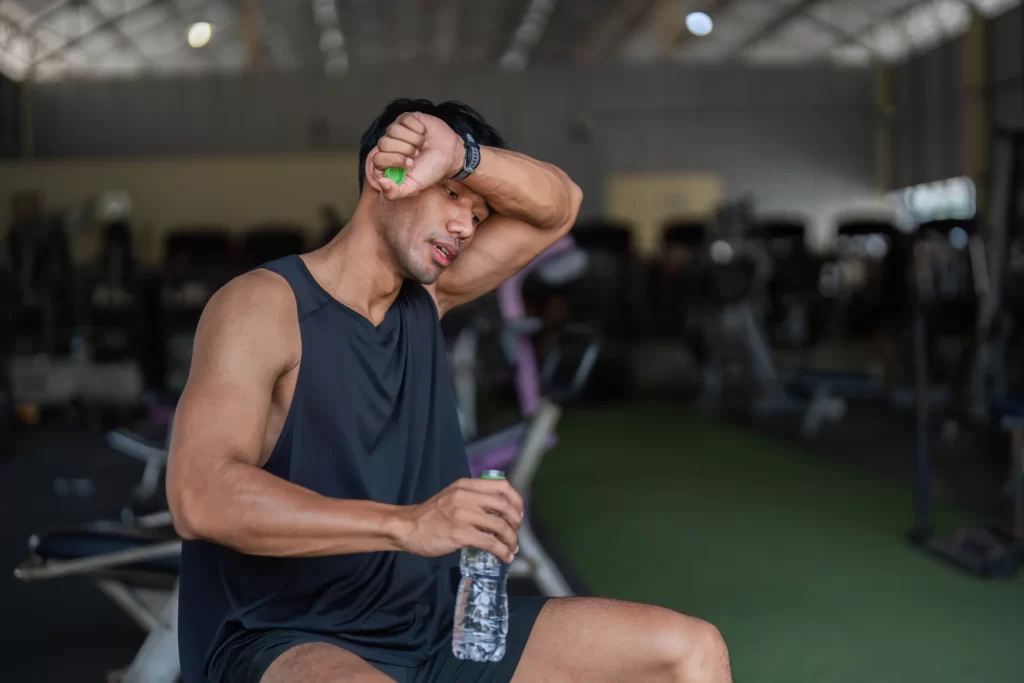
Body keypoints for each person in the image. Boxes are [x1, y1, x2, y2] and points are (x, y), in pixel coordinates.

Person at [167, 98, 732, 683]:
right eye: (453, 197)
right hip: (287, 636)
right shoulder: (262, 305)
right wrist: (405, 524)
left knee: (690, 652)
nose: (466, 227)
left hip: (436, 628)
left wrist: (461, 158)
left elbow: (560, 207)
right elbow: (199, 495)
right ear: (385, 174)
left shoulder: (426, 300)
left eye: (480, 214)